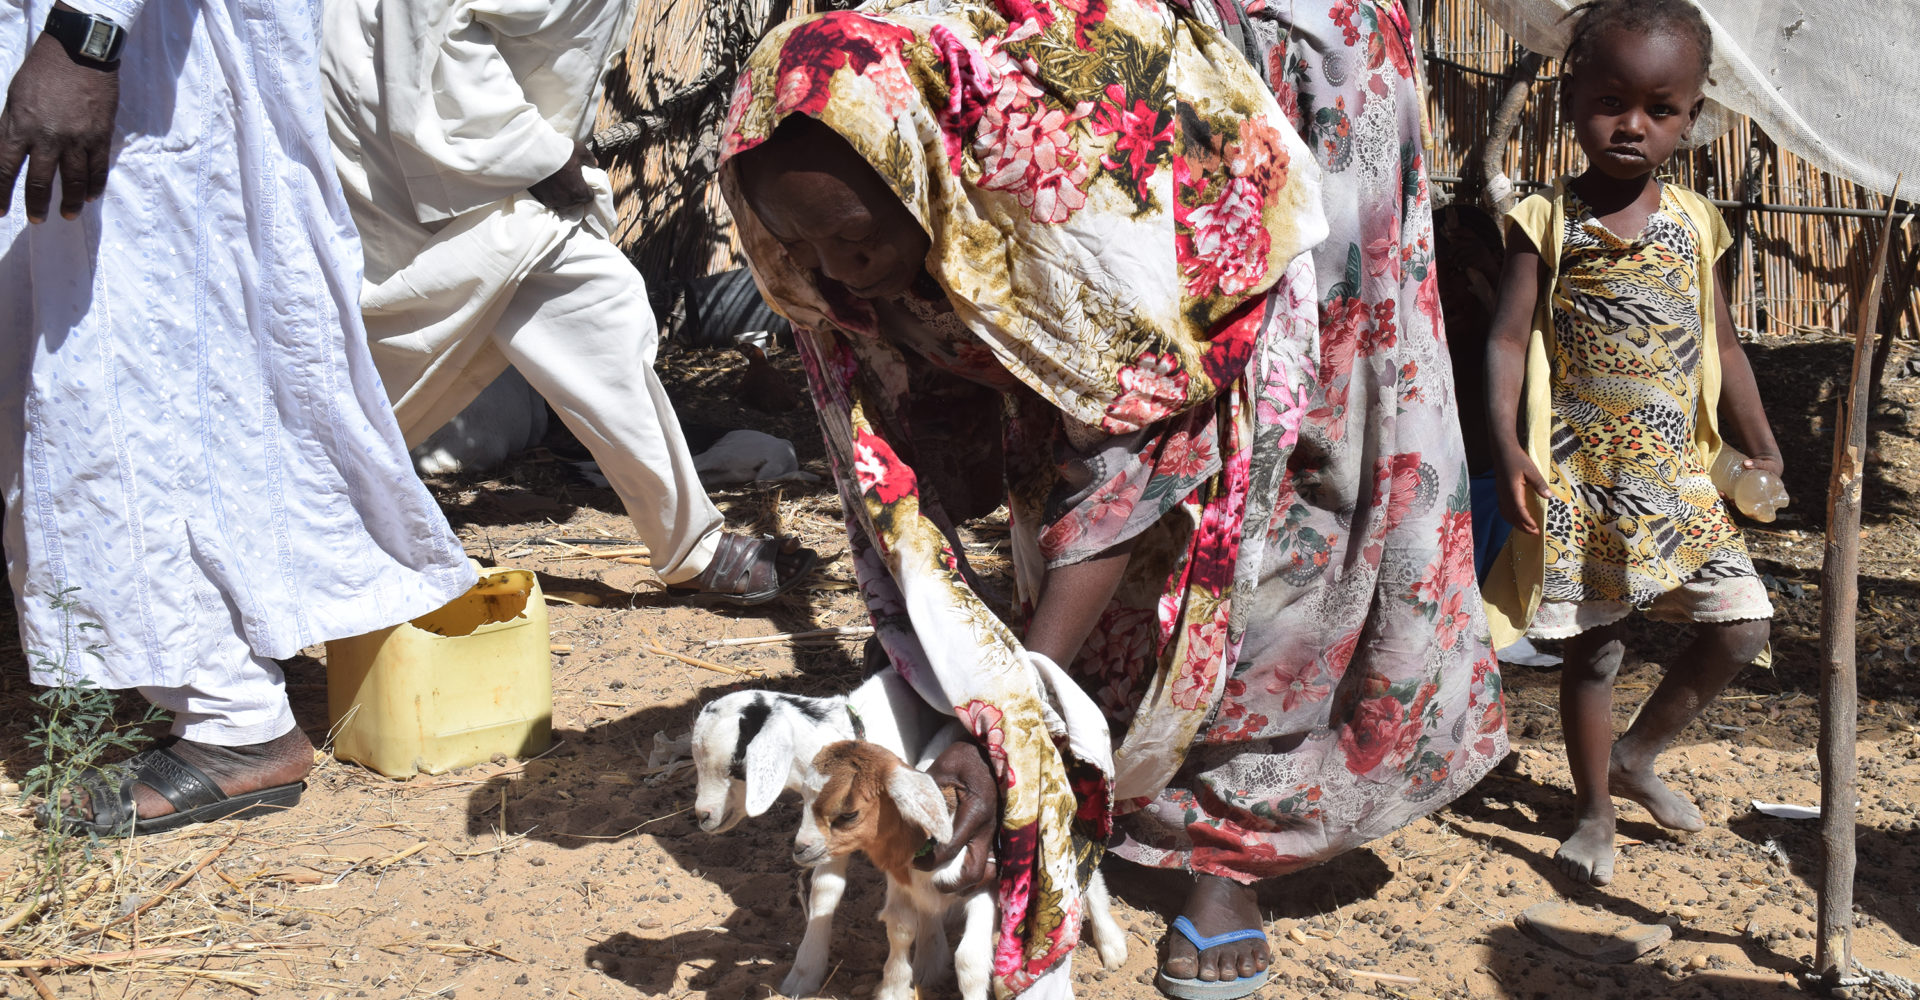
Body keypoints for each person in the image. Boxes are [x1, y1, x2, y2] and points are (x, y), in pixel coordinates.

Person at [719, 1, 1507, 996]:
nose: (831, 272)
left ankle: (1222, 843)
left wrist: (1017, 701)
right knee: (1051, 480)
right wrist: (943, 660)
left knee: (1283, 501)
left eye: (852, 247)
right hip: (1018, 160)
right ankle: (1077, 738)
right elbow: (884, 442)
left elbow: (1136, 446)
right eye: (809, 247)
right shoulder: (852, 168)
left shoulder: (1085, 195)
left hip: (1222, 163)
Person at [1, 0, 475, 834]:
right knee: (75, 376)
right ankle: (179, 656)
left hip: (134, 59)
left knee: (129, 377)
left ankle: (234, 724)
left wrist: (88, 33)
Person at [320, 0, 814, 605]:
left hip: (440, 132)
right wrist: (535, 152)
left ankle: (306, 495)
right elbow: (426, 22)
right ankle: (694, 551)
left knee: (394, 338)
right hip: (419, 127)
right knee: (594, 298)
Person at [1482, 0, 1780, 886]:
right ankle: (1594, 811)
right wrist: (1505, 445)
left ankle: (1636, 755)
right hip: (1581, 477)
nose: (1632, 125)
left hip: (1678, 478)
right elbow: (1504, 340)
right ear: (1573, 100)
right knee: (1597, 649)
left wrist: (1760, 442)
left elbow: (1722, 346)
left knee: (1743, 628)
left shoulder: (1695, 225)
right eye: (1612, 101)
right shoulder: (1548, 221)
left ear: (1692, 119)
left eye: (1660, 109)